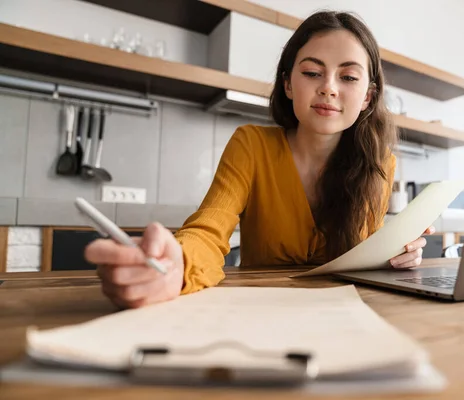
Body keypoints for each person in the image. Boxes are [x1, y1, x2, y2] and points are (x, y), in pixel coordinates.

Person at [85, 11, 434, 309]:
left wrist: (393, 256)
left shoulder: (379, 163)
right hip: (259, 309)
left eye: (348, 77)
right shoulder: (251, 145)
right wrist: (177, 262)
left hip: (346, 314)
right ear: (287, 84)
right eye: (312, 72)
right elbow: (207, 231)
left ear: (367, 98)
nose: (328, 87)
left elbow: (361, 257)